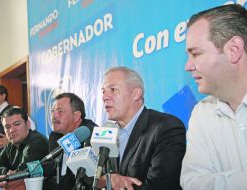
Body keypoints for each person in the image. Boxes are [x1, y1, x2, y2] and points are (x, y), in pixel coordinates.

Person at [180, 4, 247, 190]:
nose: (188, 66)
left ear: (234, 49)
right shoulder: (201, 113)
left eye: (196, 54)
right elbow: (192, 183)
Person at [98, 67, 186, 190]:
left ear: (136, 94)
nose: (105, 97)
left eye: (113, 89)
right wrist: (107, 180)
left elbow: (160, 186)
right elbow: (93, 178)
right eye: (103, 91)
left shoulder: (167, 127)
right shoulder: (106, 134)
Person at [44, 92, 97, 190]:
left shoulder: (89, 135)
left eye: (60, 111)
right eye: (52, 111)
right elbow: (52, 168)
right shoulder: (54, 136)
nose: (53, 116)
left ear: (76, 116)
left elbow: (80, 180)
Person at [0, 107, 49, 189]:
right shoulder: (10, 144)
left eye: (17, 124)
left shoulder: (37, 141)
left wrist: (4, 174)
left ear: (28, 124)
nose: (12, 130)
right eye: (7, 127)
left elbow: (21, 175)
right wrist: (5, 171)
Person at [0, 85, 12, 160]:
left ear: (3, 95)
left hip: (7, 159)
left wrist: (10, 140)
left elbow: (30, 129)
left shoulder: (13, 110)